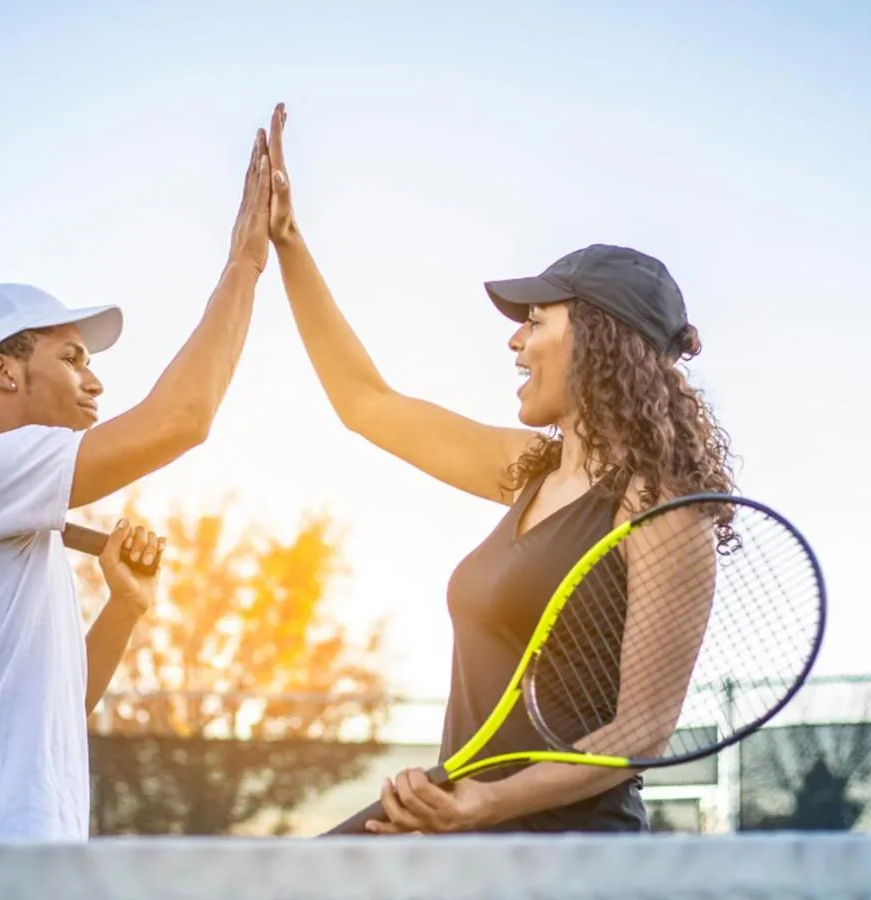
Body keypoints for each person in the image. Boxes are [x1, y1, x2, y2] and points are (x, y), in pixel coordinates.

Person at [263, 103, 734, 834]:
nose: (515, 341)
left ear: (598, 338)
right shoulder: (529, 470)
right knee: (270, 880)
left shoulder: (662, 507)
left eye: (536, 320)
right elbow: (366, 403)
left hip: (570, 852)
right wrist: (288, 241)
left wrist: (487, 802)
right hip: (466, 830)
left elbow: (639, 733)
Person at [0, 128, 274, 842]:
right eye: (71, 357)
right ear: (3, 370)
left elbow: (59, 714)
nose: (93, 380)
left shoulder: (14, 519)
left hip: (10, 861)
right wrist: (244, 264)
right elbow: (182, 420)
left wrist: (124, 607)